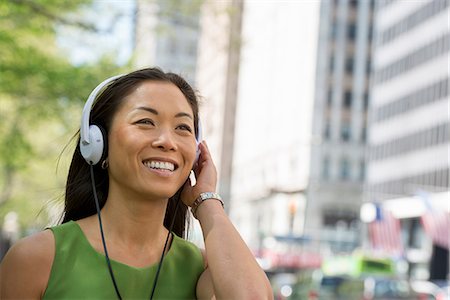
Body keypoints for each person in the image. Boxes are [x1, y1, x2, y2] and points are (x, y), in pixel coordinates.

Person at [0, 67, 273, 299]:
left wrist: (207, 202)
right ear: (98, 143)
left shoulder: (201, 268)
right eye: (145, 121)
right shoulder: (38, 258)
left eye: (182, 128)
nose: (167, 141)